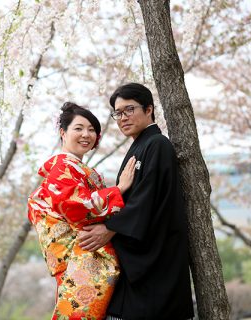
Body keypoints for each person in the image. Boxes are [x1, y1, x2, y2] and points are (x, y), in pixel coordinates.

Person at [78, 83, 194, 320]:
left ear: (149, 108)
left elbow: (147, 199)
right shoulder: (139, 146)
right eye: (118, 113)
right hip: (138, 254)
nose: (123, 118)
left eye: (129, 109)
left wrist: (110, 228)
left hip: (156, 255)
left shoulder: (158, 145)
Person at [28, 102, 136, 320]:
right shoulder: (62, 167)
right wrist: (120, 189)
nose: (86, 134)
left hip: (83, 252)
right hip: (80, 255)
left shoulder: (77, 168)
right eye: (78, 128)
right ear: (63, 132)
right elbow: (76, 207)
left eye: (92, 130)